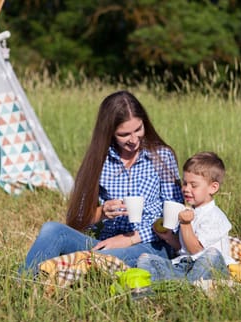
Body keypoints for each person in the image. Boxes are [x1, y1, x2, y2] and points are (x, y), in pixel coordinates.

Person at [22, 91, 184, 276]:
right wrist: (102, 213)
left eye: (138, 129)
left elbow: (175, 215)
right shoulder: (100, 160)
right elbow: (78, 218)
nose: (133, 140)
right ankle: (24, 283)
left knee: (104, 257)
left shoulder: (162, 156)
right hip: (105, 244)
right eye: (124, 134)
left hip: (151, 245)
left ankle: (71, 267)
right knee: (52, 230)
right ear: (110, 132)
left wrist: (130, 239)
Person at [137, 151, 234, 282]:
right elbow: (184, 250)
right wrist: (170, 238)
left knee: (211, 255)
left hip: (212, 266)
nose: (186, 189)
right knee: (145, 259)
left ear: (213, 187)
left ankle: (188, 285)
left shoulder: (215, 216)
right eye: (185, 183)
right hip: (185, 266)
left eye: (193, 185)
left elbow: (195, 250)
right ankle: (185, 282)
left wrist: (185, 224)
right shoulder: (188, 211)